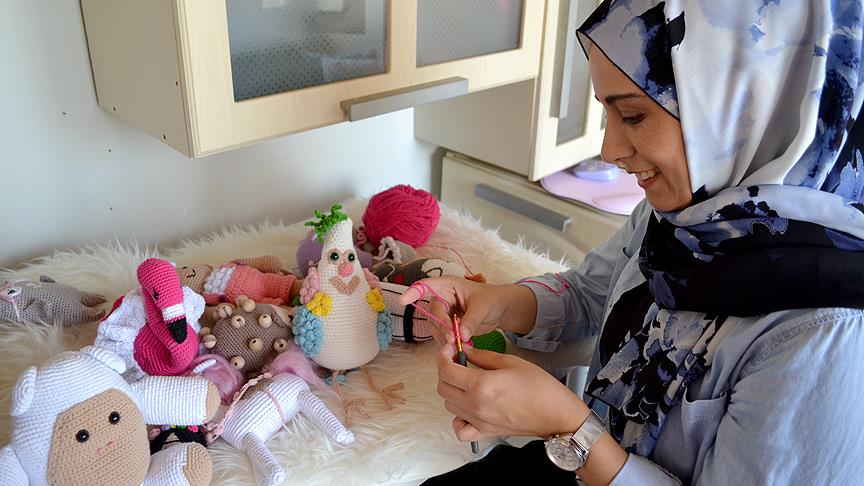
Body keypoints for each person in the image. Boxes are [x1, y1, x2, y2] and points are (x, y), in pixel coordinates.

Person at [400, 1, 864, 484]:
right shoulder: (688, 214)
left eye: (634, 116)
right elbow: (588, 293)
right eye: (608, 112)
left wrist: (569, 429)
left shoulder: (827, 337)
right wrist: (497, 302)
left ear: (747, 104)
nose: (610, 150)